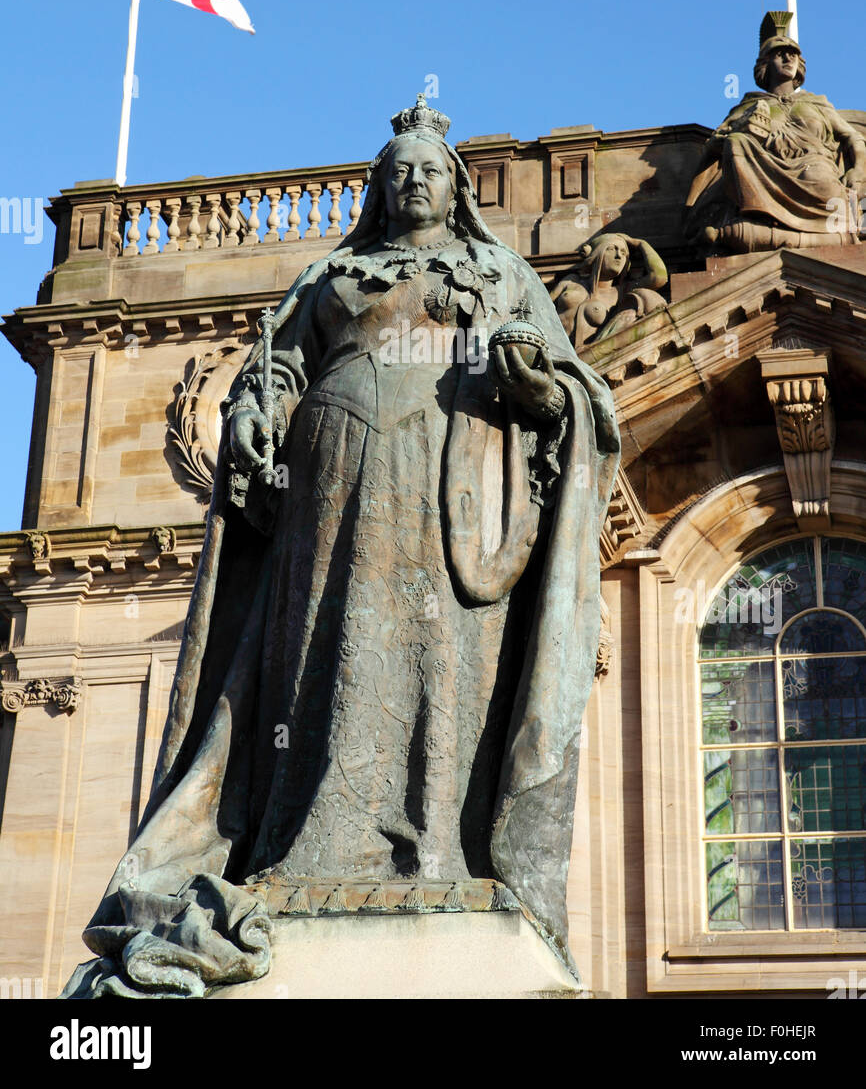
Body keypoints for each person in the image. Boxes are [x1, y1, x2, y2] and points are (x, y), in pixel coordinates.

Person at [62, 96, 619, 998]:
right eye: (396, 170)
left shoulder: (502, 272)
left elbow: (576, 394)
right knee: (320, 648)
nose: (411, 181)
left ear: (456, 186)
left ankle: (438, 848)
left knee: (444, 661)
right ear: (379, 186)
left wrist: (542, 390)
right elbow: (275, 365)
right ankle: (298, 845)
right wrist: (255, 410)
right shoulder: (334, 274)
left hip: (451, 483)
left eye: (428, 170)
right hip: (333, 477)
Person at [686, 12, 866, 252]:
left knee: (822, 178)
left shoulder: (817, 103)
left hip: (813, 170)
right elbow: (715, 144)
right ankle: (755, 213)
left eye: (793, 55)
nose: (788, 59)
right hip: (762, 171)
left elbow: (852, 136)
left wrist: (858, 169)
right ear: (765, 64)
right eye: (780, 54)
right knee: (737, 141)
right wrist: (733, 135)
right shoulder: (749, 105)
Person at [550, 232, 668, 349]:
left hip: (591, 359)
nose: (618, 256)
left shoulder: (622, 292)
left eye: (623, 252)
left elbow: (659, 277)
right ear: (597, 253)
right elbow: (540, 309)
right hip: (555, 352)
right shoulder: (571, 282)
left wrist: (641, 243)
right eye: (612, 249)